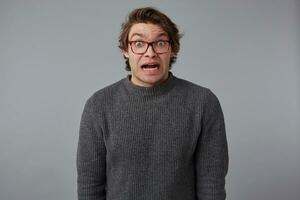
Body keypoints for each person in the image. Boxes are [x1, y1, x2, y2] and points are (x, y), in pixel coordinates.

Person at [77, 7, 228, 200]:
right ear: (125, 50)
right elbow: (90, 186)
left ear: (172, 49)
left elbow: (212, 186)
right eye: (139, 43)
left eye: (160, 43)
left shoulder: (203, 103)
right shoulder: (98, 105)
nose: (150, 52)